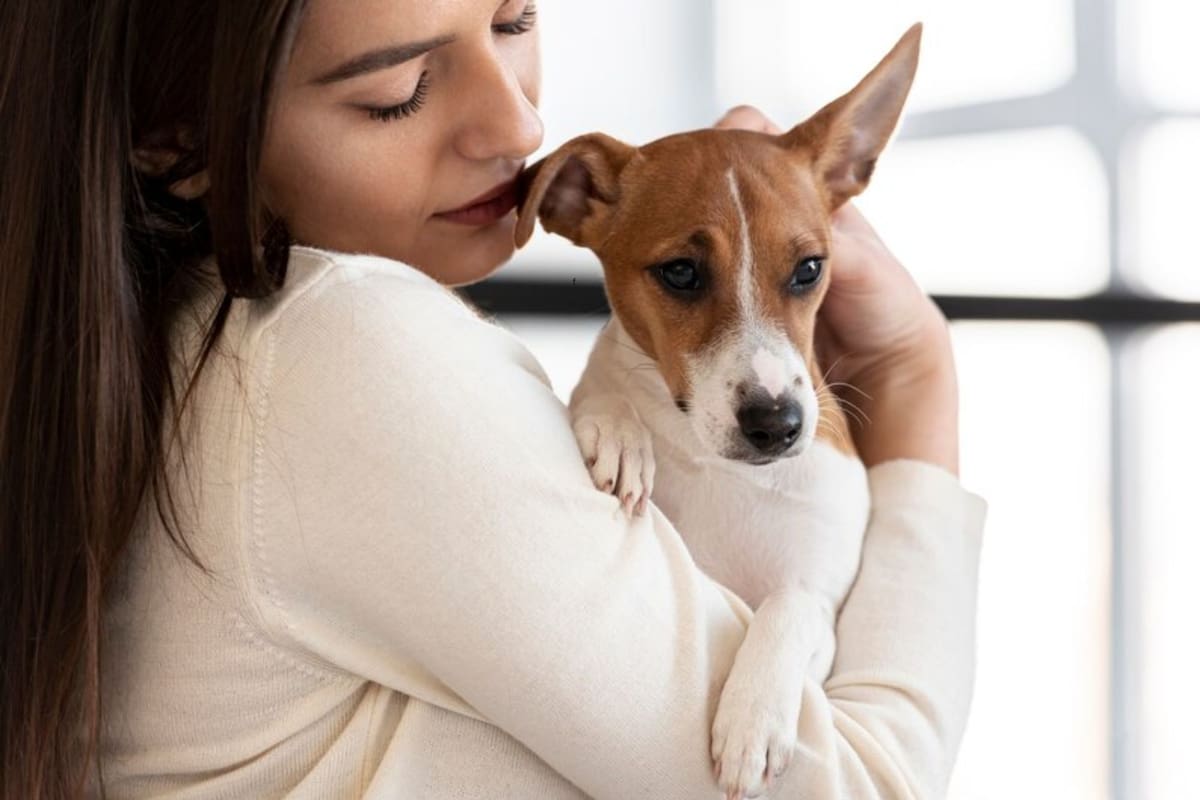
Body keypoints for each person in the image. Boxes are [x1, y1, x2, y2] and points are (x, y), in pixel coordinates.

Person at [0, 1, 986, 798]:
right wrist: (913, 379)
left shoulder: (173, 347)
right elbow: (863, 784)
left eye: (513, 21)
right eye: (399, 89)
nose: (519, 126)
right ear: (181, 143)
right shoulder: (348, 350)